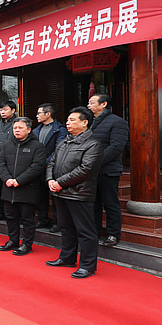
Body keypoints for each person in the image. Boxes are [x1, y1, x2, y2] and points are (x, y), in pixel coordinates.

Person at [46, 107, 105, 278]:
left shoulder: (93, 144)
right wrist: (50, 180)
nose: (68, 123)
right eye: (68, 120)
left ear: (84, 122)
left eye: (72, 120)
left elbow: (85, 170)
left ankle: (87, 265)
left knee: (85, 231)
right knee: (66, 228)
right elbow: (52, 162)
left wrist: (59, 183)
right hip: (60, 192)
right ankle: (67, 258)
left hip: (79, 193)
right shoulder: (64, 141)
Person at [0, 117, 47, 256]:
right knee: (10, 217)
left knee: (27, 219)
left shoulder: (37, 146)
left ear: (29, 130)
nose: (17, 130)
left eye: (20, 128)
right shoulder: (7, 144)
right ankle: (13, 240)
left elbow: (37, 166)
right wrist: (7, 179)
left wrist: (19, 180)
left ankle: (27, 244)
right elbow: (0, 163)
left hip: (26, 188)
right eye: (15, 128)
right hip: (8, 188)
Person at [88, 94, 130, 247]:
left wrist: (95, 161)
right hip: (91, 171)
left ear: (103, 104)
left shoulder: (118, 122)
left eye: (92, 103)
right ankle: (94, 232)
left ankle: (113, 234)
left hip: (108, 170)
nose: (89, 106)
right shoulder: (91, 122)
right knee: (94, 204)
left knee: (110, 203)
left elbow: (116, 147)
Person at [32, 103, 67, 230]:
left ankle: (58, 222)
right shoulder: (36, 130)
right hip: (39, 168)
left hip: (53, 168)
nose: (36, 116)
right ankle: (42, 220)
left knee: (56, 197)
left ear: (48, 114)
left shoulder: (60, 129)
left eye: (39, 113)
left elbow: (59, 149)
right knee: (41, 196)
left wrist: (45, 163)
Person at [0, 101, 17, 221]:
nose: (2, 112)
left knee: (12, 188)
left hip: (12, 161)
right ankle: (1, 212)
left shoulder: (18, 123)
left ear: (13, 110)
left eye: (5, 109)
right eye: (1, 110)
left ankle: (14, 213)